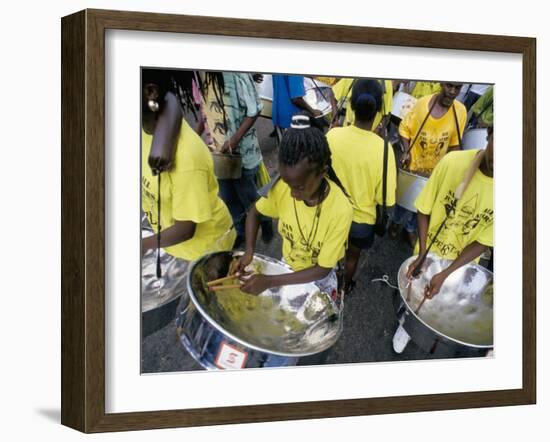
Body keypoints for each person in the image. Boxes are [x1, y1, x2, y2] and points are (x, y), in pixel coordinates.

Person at [233, 114, 353, 299]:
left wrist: (270, 281)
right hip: (286, 267)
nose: (292, 194)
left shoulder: (340, 210)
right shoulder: (283, 188)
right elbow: (254, 213)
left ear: (323, 172)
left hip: (318, 279)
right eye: (289, 185)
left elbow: (322, 269)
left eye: (299, 187)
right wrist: (249, 250)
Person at [141, 69, 236, 261]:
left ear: (150, 92)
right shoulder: (141, 127)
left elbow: (185, 230)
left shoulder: (187, 160)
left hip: (202, 251)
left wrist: (140, 246)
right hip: (170, 244)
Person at [406, 126, 494, 298]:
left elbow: (483, 242)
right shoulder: (452, 162)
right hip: (425, 253)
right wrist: (423, 253)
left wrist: (446, 273)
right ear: (489, 133)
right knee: (410, 299)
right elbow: (424, 208)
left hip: (459, 268)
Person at [327, 79, 397, 293]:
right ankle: (344, 287)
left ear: (352, 105)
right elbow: (386, 200)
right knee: (352, 257)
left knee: (328, 253)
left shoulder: (332, 135)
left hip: (331, 212)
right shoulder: (384, 150)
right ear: (378, 110)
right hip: (361, 222)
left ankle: (325, 286)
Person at [195, 72, 274, 247]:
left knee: (249, 196)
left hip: (243, 154)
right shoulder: (199, 76)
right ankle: (240, 232)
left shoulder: (237, 75)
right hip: (218, 154)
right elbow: (203, 110)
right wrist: (195, 135)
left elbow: (255, 109)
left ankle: (266, 221)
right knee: (228, 197)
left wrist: (234, 140)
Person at [389, 82, 467, 247]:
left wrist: (453, 168)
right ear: (441, 84)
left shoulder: (460, 111)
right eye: (449, 86)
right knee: (404, 201)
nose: (452, 92)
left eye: (457, 88)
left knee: (422, 206)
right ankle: (395, 222)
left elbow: (455, 143)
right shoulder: (422, 104)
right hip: (414, 166)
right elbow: (404, 129)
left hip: (435, 172)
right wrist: (406, 150)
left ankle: (410, 228)